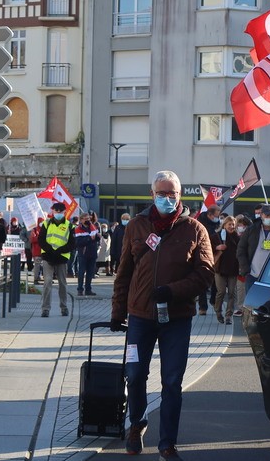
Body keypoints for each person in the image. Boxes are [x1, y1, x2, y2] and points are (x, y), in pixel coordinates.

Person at [111, 170, 214, 460]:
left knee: (171, 382)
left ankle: (167, 443)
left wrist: (173, 290)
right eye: (162, 193)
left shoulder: (195, 229)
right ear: (151, 194)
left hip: (177, 318)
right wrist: (117, 311)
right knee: (135, 374)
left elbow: (206, 274)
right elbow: (124, 272)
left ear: (180, 196)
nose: (167, 198)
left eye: (173, 193)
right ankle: (137, 424)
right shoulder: (136, 226)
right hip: (140, 317)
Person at [39, 202, 75, 317]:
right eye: (56, 211)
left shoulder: (70, 226)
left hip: (62, 257)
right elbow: (41, 240)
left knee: (62, 283)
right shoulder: (46, 223)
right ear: (52, 212)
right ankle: (45, 309)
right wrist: (51, 250)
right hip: (48, 256)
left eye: (60, 212)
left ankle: (64, 307)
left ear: (64, 212)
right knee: (47, 282)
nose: (58, 213)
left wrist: (59, 250)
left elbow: (72, 244)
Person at [237, 203, 270, 292]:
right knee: (252, 304)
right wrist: (246, 269)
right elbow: (241, 249)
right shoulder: (252, 229)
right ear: (261, 215)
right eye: (267, 215)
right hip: (252, 275)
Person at [194, 205, 222, 315]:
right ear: (210, 215)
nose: (218, 218)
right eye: (216, 215)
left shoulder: (217, 225)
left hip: (216, 257)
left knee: (215, 281)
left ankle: (213, 300)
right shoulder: (201, 225)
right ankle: (202, 307)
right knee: (202, 281)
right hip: (202, 256)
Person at [213, 215, 240, 324]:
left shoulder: (237, 237)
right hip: (220, 269)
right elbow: (208, 247)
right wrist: (217, 247)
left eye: (233, 224)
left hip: (233, 269)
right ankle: (218, 311)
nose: (231, 226)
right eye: (229, 224)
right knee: (221, 292)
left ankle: (229, 315)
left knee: (232, 293)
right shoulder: (217, 236)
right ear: (224, 225)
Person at [74, 212, 101, 296]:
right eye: (85, 219)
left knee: (90, 272)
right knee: (81, 272)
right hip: (83, 253)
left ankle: (88, 289)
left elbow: (96, 238)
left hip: (92, 252)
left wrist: (97, 237)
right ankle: (80, 289)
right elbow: (78, 242)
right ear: (81, 220)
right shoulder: (78, 229)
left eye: (89, 219)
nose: (88, 221)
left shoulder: (93, 227)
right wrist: (89, 238)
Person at [232, 215, 253, 316]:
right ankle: (240, 307)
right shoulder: (235, 235)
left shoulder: (251, 235)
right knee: (240, 288)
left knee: (249, 287)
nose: (241, 227)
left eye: (243, 225)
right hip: (238, 265)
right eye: (239, 225)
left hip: (249, 265)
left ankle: (249, 308)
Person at [30, 217, 44, 283]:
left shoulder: (45, 230)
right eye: (41, 222)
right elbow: (32, 239)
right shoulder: (35, 230)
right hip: (36, 251)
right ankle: (36, 279)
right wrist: (40, 237)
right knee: (37, 265)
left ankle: (39, 276)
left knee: (42, 265)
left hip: (44, 250)